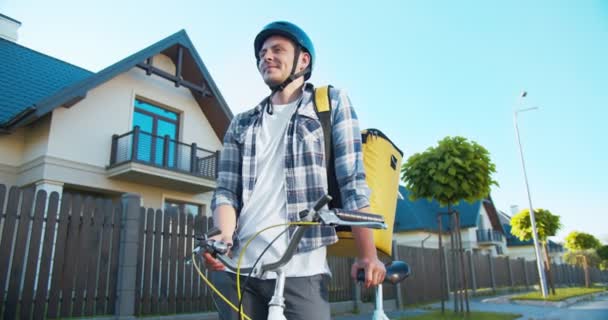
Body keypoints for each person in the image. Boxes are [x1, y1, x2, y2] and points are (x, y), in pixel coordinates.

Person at [204, 21, 385, 320]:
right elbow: (226, 191)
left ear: (303, 60)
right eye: (262, 53)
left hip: (301, 270)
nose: (266, 57)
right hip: (236, 270)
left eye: (277, 50)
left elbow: (351, 179)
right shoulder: (242, 122)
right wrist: (222, 237)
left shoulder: (330, 104)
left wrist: (368, 254)